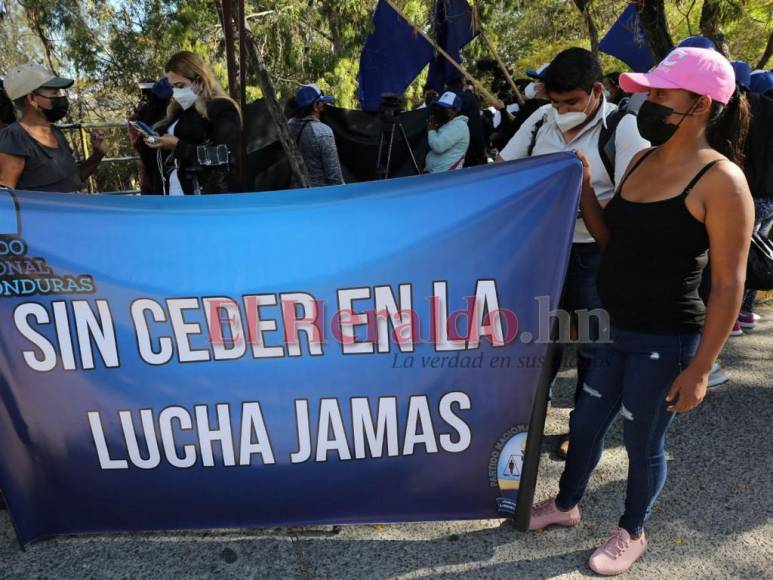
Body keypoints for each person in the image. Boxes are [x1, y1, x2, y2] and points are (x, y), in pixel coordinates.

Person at [528, 47, 753, 576]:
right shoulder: (639, 161)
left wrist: (700, 368)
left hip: (666, 338)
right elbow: (611, 239)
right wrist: (584, 190)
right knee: (583, 425)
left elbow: (727, 286)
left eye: (660, 94)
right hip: (609, 325)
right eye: (647, 92)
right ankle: (565, 506)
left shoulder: (722, 182)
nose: (646, 104)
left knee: (641, 440)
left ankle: (632, 531)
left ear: (700, 105)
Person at [498, 47, 649, 458]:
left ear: (596, 91)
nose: (562, 110)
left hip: (593, 254)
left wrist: (582, 190)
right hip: (543, 253)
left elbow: (634, 198)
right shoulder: (539, 122)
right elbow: (505, 168)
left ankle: (582, 429)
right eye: (555, 101)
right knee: (537, 343)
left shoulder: (623, 128)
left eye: (572, 102)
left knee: (592, 345)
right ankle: (526, 422)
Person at [144, 51, 242, 194]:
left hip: (207, 197)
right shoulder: (179, 111)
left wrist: (177, 146)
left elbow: (223, 157)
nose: (176, 92)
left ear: (199, 81)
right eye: (173, 87)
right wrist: (155, 104)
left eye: (180, 85)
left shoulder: (222, 108)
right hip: (174, 193)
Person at [0, 63, 106, 192]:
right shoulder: (14, 138)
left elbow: (73, 180)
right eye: (55, 92)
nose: (61, 97)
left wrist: (98, 154)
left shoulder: (55, 132)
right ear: (32, 98)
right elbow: (6, 199)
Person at [733, 61, 773, 330]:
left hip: (746, 191)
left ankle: (732, 316)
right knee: (753, 253)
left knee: (735, 255)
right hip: (769, 196)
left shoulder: (743, 112)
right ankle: (744, 311)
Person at [288, 83, 344, 188]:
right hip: (319, 197)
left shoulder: (289, 126)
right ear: (315, 106)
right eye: (322, 102)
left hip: (295, 193)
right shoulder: (324, 132)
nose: (324, 105)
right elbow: (335, 177)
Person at [129, 78, 172, 194]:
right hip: (154, 178)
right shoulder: (138, 118)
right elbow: (139, 146)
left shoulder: (173, 119)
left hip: (157, 179)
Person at [424, 91, 470, 173]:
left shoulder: (459, 125)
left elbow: (438, 146)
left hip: (446, 175)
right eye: (439, 107)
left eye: (444, 108)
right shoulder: (449, 123)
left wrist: (431, 129)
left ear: (455, 110)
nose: (440, 110)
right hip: (438, 174)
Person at [445, 75, 485, 167]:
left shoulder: (437, 100)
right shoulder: (468, 99)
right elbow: (476, 128)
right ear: (462, 80)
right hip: (466, 156)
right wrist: (480, 151)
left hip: (442, 160)